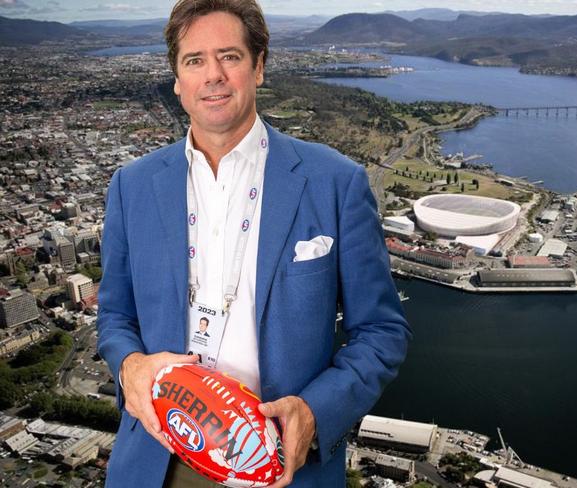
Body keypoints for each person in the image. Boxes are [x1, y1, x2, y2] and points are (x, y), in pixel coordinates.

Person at [96, 0, 411, 487]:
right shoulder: (131, 186)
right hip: (159, 459)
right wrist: (130, 367)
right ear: (177, 79)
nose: (213, 75)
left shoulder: (335, 183)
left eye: (230, 56)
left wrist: (314, 411)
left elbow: (382, 332)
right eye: (194, 60)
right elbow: (115, 316)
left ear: (259, 66)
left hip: (283, 464)